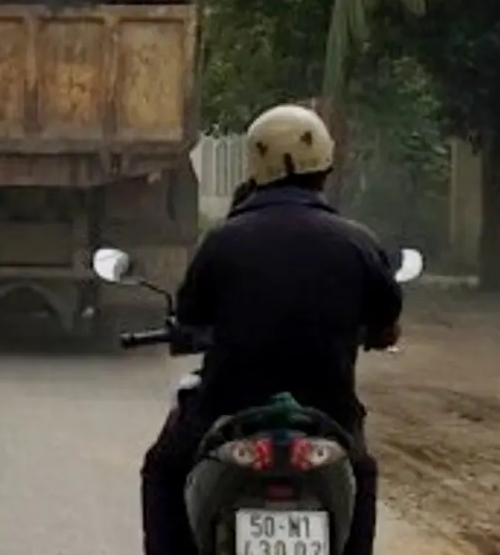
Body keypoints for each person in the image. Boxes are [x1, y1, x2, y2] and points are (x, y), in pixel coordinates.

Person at [140, 104, 403, 555]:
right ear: (325, 164)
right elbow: (386, 324)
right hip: (328, 413)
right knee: (361, 471)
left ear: (255, 165)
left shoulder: (224, 240)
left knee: (163, 470)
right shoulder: (357, 241)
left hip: (228, 410)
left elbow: (191, 317)